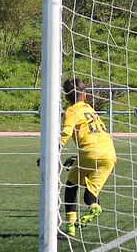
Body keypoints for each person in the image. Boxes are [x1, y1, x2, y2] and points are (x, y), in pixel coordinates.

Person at [43, 77, 117, 237]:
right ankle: (94, 206)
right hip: (109, 154)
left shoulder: (72, 111)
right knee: (90, 195)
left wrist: (49, 153)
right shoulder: (89, 109)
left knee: (71, 186)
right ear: (85, 96)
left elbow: (66, 133)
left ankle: (70, 226)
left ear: (65, 97)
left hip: (90, 152)